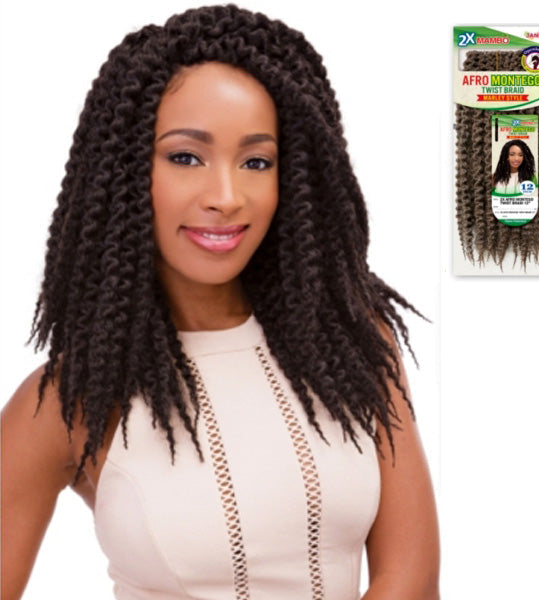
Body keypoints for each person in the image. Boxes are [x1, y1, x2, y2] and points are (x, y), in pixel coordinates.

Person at [1, 5, 439, 599]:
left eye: (257, 161)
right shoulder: (67, 401)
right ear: (125, 171)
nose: (227, 197)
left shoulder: (353, 340)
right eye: (186, 157)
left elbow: (412, 581)